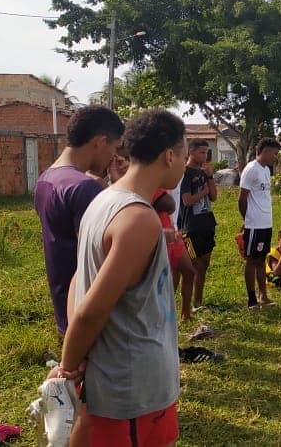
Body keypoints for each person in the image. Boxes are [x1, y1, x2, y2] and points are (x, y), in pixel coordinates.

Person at [47, 109, 186, 446]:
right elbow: (92, 309)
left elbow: (80, 279)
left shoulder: (103, 199)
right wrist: (67, 367)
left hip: (123, 378)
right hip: (131, 386)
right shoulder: (139, 218)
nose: (184, 164)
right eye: (183, 155)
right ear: (169, 156)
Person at [34, 106, 124, 335]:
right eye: (114, 147)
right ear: (100, 141)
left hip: (66, 306)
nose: (115, 156)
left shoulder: (47, 178)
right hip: (90, 311)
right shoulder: (84, 187)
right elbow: (104, 253)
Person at [238, 138, 281, 310]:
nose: (275, 157)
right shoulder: (251, 169)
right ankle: (251, 300)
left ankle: (263, 295)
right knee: (251, 260)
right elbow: (242, 199)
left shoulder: (265, 170)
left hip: (266, 222)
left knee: (261, 259)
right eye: (274, 153)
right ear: (264, 151)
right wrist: (247, 220)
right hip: (254, 224)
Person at [179, 140, 218, 310]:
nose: (205, 156)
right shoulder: (185, 173)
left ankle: (198, 302)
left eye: (207, 152)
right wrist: (203, 192)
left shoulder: (204, 172)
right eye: (202, 152)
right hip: (191, 226)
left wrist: (209, 177)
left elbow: (214, 197)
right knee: (192, 267)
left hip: (207, 223)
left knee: (205, 264)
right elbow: (187, 201)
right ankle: (186, 307)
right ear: (191, 152)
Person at [152, 189, 196, 322]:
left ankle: (185, 314)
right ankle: (163, 315)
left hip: (173, 231)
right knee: (165, 278)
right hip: (159, 233)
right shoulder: (154, 183)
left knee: (189, 271)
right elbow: (170, 205)